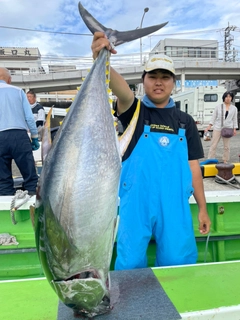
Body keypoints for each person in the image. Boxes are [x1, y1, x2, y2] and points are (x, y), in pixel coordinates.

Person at [91, 32, 211, 270]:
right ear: (143, 80)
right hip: (136, 202)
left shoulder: (185, 121)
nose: (159, 82)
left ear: (173, 83)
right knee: (130, 263)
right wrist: (101, 58)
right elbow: (122, 91)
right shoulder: (133, 111)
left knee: (178, 264)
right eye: (153, 76)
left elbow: (193, 168)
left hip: (175, 203)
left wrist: (203, 209)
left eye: (165, 77)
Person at [0, 67, 40, 196]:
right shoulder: (18, 91)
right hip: (19, 136)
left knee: (3, 181)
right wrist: (34, 137)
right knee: (30, 177)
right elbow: (29, 117)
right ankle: (34, 205)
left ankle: (7, 209)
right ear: (9, 80)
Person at [205, 91, 238, 163]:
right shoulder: (218, 107)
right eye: (226, 96)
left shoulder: (234, 108)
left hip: (228, 128)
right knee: (213, 145)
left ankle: (225, 160)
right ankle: (211, 159)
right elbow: (214, 117)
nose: (228, 98)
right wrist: (209, 126)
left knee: (227, 146)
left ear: (231, 98)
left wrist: (234, 129)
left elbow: (235, 119)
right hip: (217, 128)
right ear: (224, 98)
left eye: (230, 97)